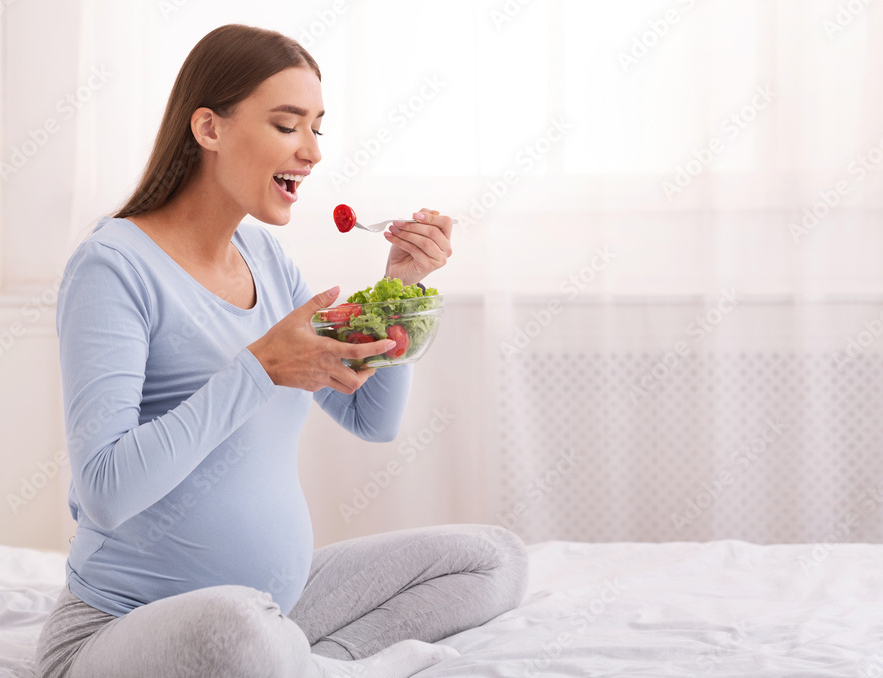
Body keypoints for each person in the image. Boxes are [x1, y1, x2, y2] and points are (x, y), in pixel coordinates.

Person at [35, 23, 528, 678]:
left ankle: (302, 661)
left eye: (317, 127)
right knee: (237, 627)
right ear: (209, 129)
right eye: (287, 125)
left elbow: (369, 420)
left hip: (274, 609)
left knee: (493, 559)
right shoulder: (114, 266)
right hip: (124, 626)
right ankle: (279, 655)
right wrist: (259, 369)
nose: (313, 152)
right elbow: (103, 491)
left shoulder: (264, 258)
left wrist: (399, 286)